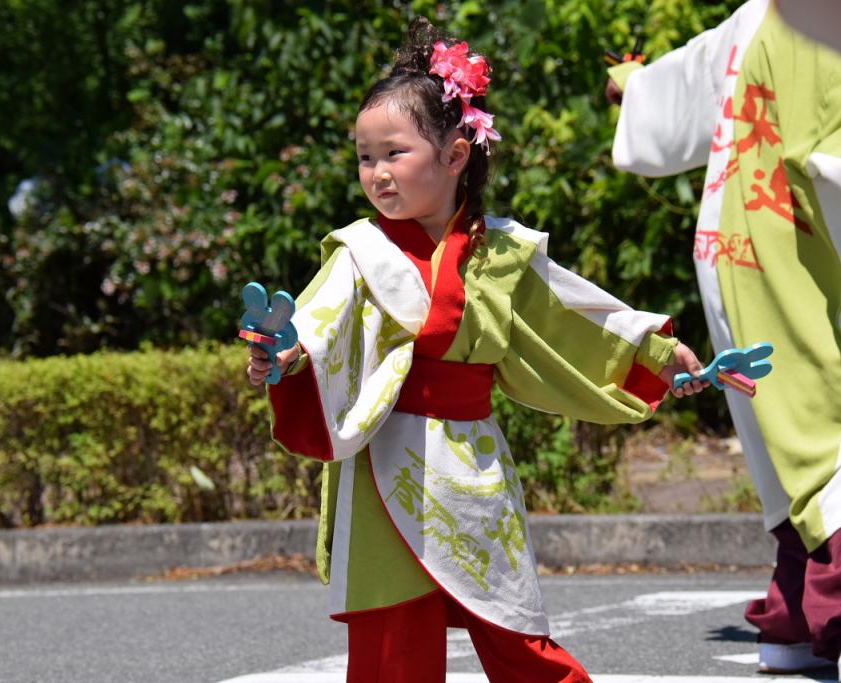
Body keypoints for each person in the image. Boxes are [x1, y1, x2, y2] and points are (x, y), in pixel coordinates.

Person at [247, 18, 707, 683]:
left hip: (472, 462)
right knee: (390, 647)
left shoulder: (506, 252)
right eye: (364, 156)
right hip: (384, 467)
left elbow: (580, 318)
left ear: (456, 154)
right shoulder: (359, 252)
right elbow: (316, 327)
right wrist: (285, 357)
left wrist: (662, 354)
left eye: (393, 153)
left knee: (514, 628)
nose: (375, 172)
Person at [604, 1, 841, 681]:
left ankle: (792, 619)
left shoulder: (760, 13)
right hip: (817, 255)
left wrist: (633, 86)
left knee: (781, 431)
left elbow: (671, 93)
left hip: (733, 250)